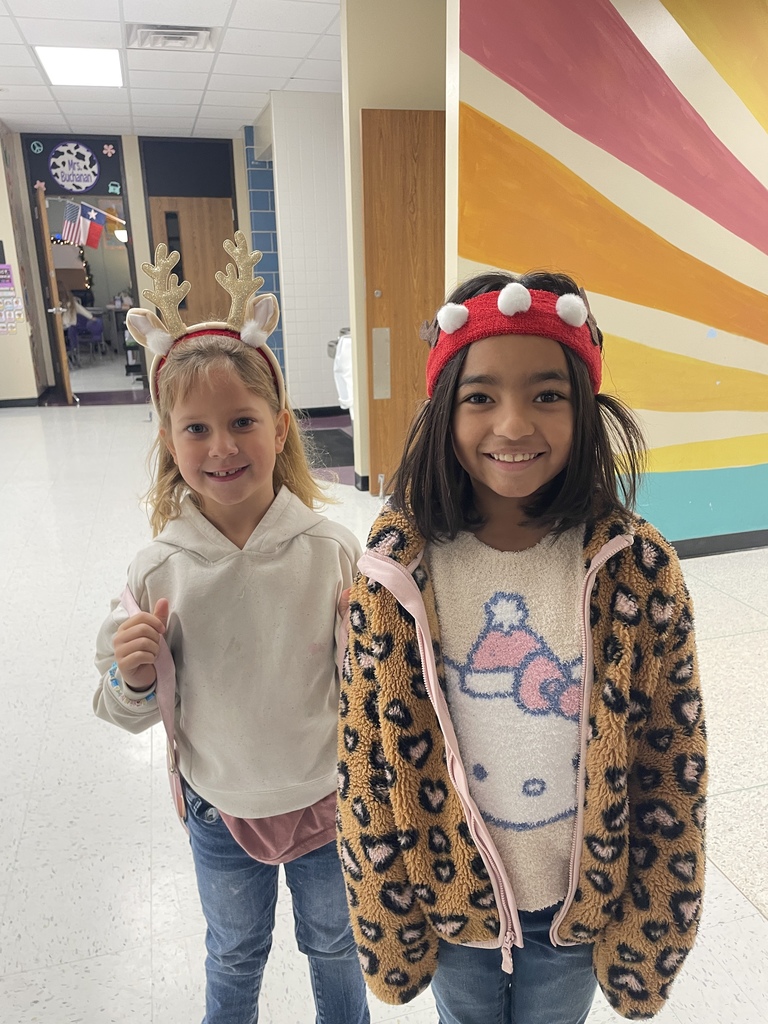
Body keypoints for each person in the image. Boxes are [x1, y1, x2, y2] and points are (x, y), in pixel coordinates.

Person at [336, 271, 706, 1023]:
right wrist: (389, 913)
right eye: (480, 397)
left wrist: (651, 926)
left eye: (546, 395)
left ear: (586, 409)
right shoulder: (396, 568)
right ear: (443, 412)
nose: (512, 425)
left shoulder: (636, 568)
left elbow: (673, 761)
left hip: (577, 911)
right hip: (450, 910)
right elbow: (365, 753)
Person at [94, 233, 370, 1024]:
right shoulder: (158, 570)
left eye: (242, 421)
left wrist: (370, 652)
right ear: (169, 442)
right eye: (195, 430)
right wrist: (134, 675)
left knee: (336, 949)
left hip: (326, 801)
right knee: (235, 951)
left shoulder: (331, 551)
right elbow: (123, 704)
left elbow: (370, 688)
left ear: (281, 428)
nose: (221, 447)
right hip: (219, 808)